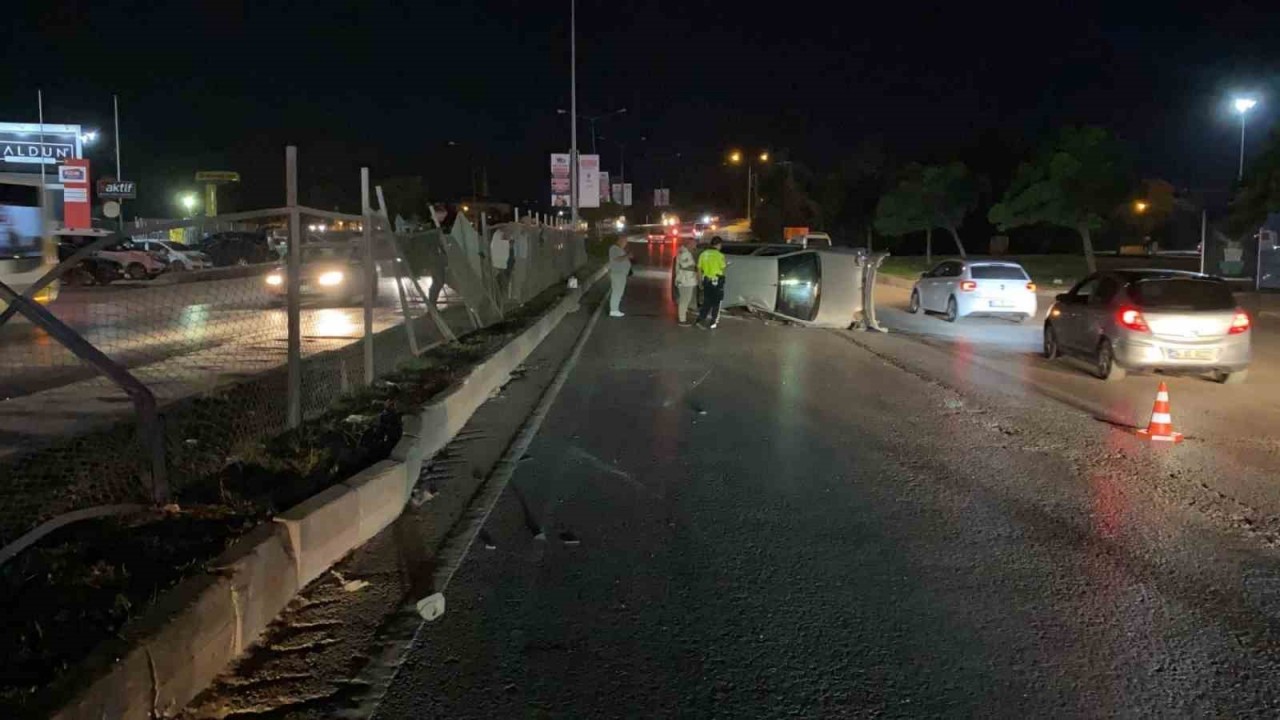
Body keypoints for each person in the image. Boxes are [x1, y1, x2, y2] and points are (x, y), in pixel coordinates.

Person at [695, 237, 727, 329]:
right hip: (717, 281)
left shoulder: (703, 254)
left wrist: (700, 282)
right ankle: (713, 322)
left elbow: (699, 269)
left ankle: (700, 319)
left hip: (706, 280)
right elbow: (723, 269)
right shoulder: (720, 255)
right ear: (718, 244)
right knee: (716, 302)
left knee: (707, 301)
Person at [674, 236, 699, 326]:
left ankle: (683, 316)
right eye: (694, 244)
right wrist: (697, 268)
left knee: (684, 299)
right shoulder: (685, 253)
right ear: (689, 244)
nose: (695, 245)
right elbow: (685, 266)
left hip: (685, 279)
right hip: (685, 280)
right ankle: (682, 320)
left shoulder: (685, 251)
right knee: (685, 300)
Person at [608, 235, 633, 317]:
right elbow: (617, 259)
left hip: (621, 274)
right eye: (625, 241)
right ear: (620, 240)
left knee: (619, 292)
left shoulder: (619, 249)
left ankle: (615, 308)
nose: (625, 243)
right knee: (617, 292)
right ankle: (614, 310)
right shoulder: (614, 248)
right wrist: (627, 256)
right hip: (617, 274)